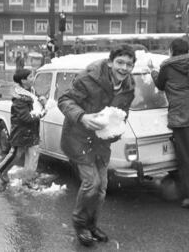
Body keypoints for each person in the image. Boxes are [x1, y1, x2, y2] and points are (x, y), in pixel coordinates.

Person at [58, 44, 136, 246]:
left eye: (129, 64)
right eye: (120, 62)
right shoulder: (88, 77)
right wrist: (82, 117)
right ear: (110, 62)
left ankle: (92, 225)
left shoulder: (129, 85)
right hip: (78, 139)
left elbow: (122, 112)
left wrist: (117, 129)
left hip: (101, 142)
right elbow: (65, 100)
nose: (124, 68)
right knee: (91, 183)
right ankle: (80, 225)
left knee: (102, 188)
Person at [149, 39, 189, 209]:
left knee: (186, 158)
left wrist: (152, 70)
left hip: (182, 116)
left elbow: (160, 85)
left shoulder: (167, 67)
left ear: (172, 50)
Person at [0, 68, 46, 190]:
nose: (33, 79)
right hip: (21, 133)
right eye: (30, 77)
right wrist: (42, 113)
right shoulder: (19, 99)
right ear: (23, 81)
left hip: (33, 131)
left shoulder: (31, 92)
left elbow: (36, 103)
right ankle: (1, 169)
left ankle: (28, 181)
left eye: (32, 76)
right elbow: (27, 118)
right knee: (15, 155)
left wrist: (42, 101)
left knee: (33, 157)